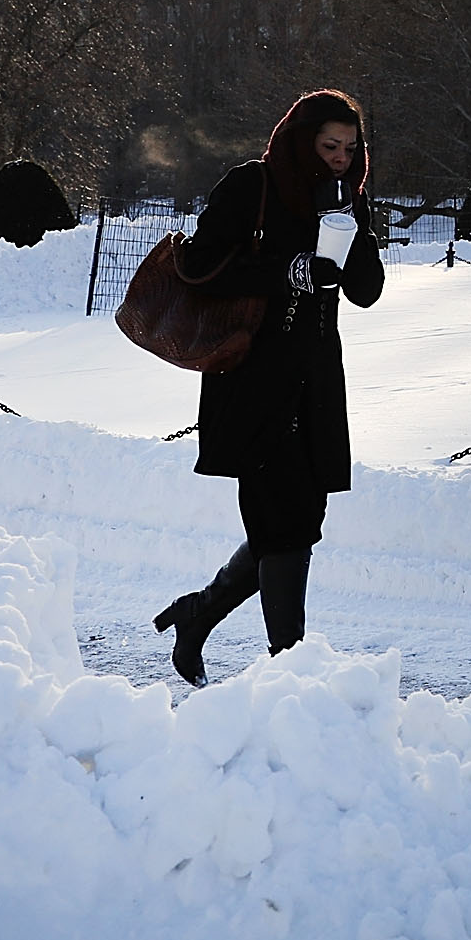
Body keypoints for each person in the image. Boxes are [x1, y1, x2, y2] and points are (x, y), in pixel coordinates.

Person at [153, 90, 385, 684]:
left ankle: (199, 615)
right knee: (280, 520)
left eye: (350, 149)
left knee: (300, 519)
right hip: (250, 377)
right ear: (302, 138)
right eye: (329, 146)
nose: (340, 158)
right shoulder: (250, 186)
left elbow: (365, 292)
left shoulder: (346, 198)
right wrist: (286, 270)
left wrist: (349, 228)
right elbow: (200, 264)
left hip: (315, 380)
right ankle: (292, 671)